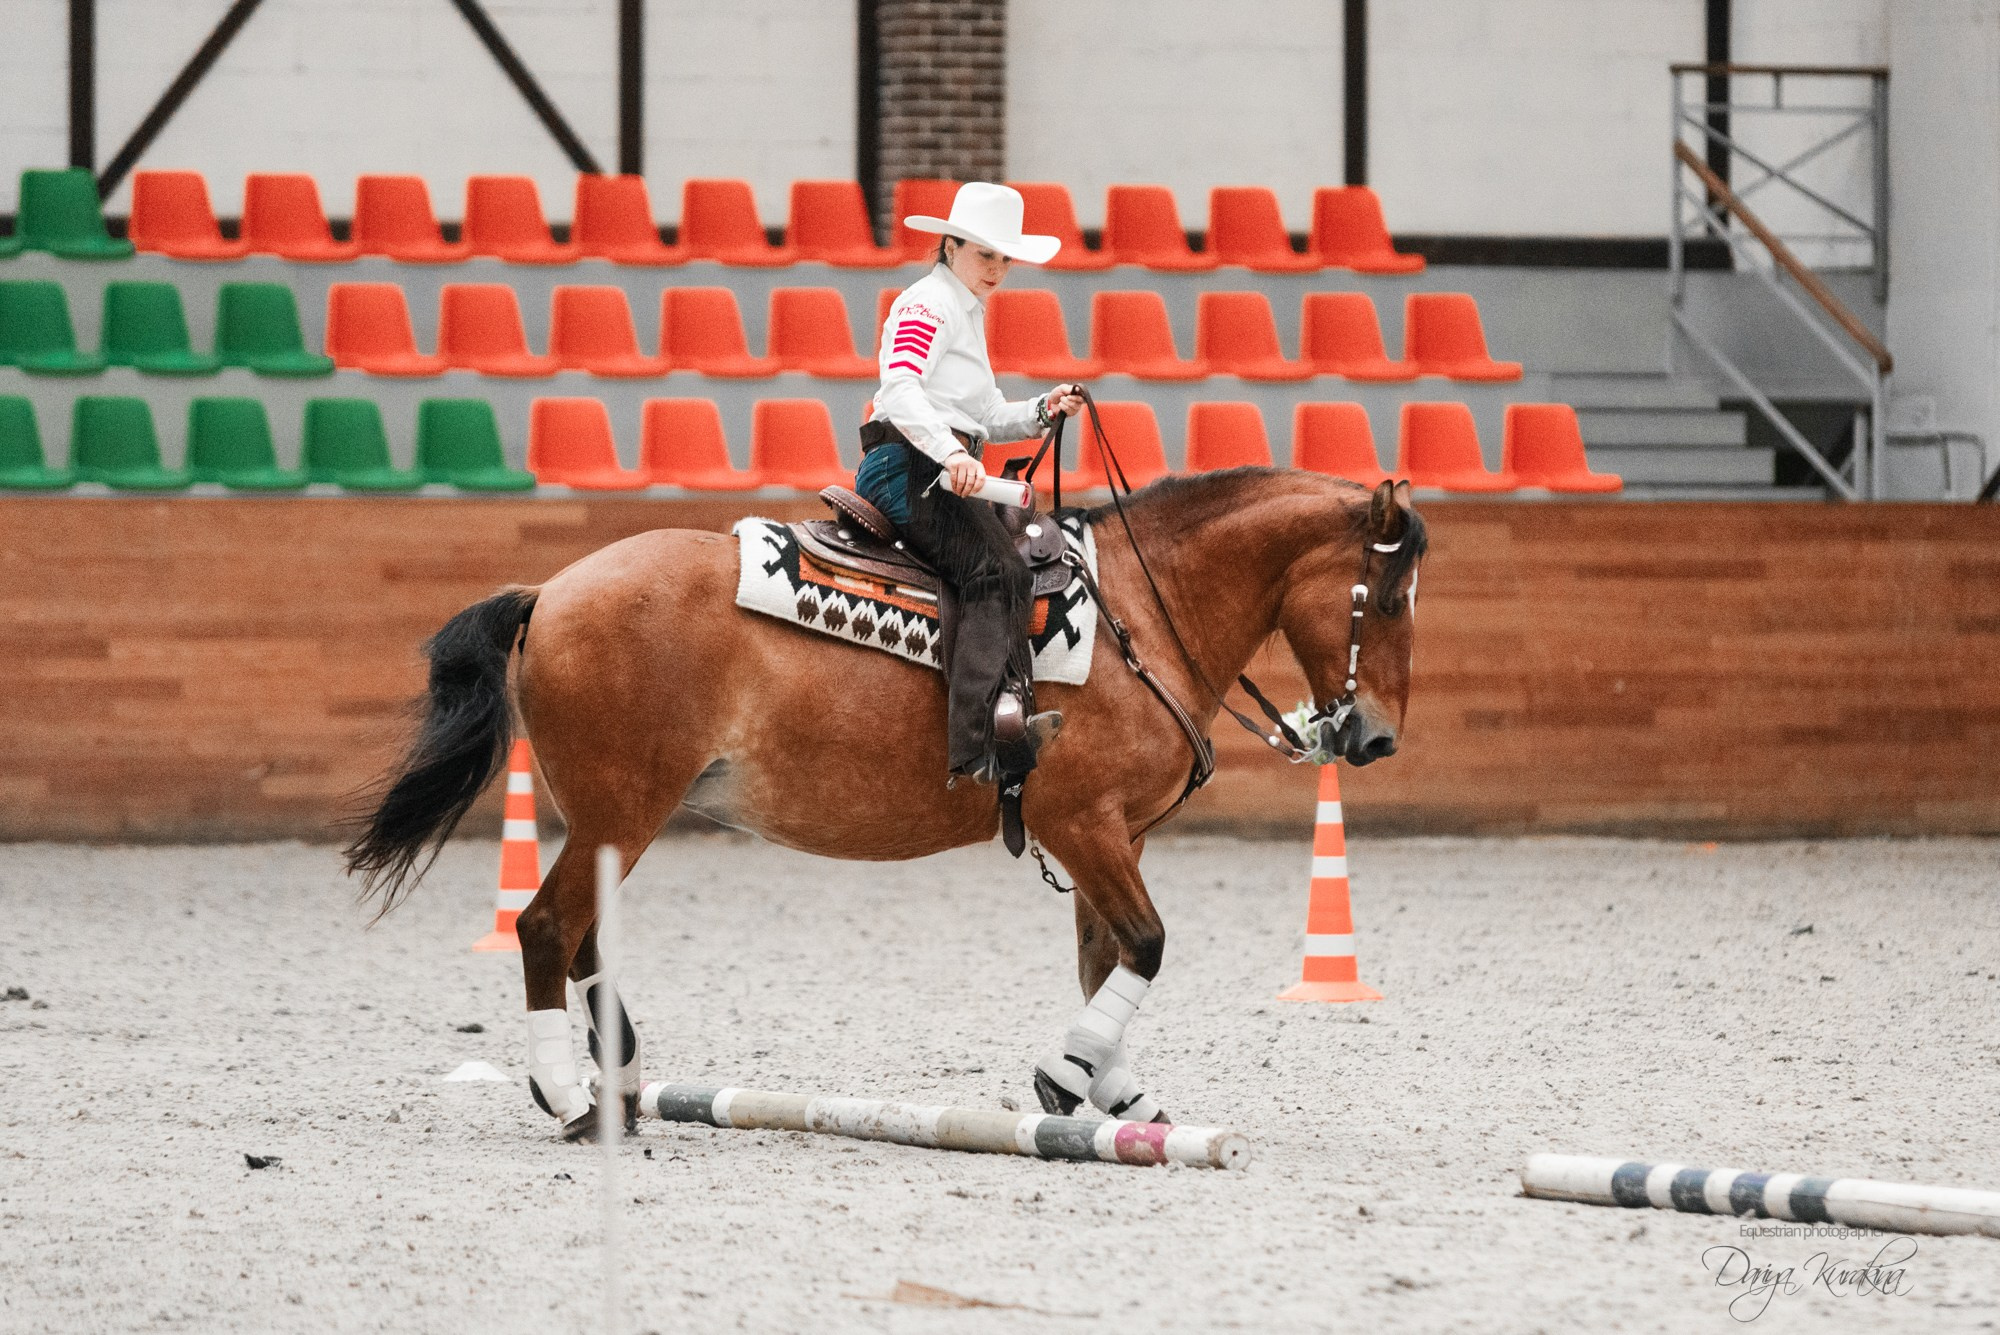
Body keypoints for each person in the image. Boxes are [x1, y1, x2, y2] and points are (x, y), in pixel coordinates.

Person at [854, 182, 1085, 786]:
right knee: (998, 574)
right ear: (950, 244)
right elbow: (900, 388)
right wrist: (953, 453)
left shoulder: (962, 311)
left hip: (938, 465)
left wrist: (1041, 410)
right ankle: (978, 745)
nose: (999, 269)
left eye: (1005, 258)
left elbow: (984, 413)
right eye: (986, 254)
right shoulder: (927, 305)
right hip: (910, 467)